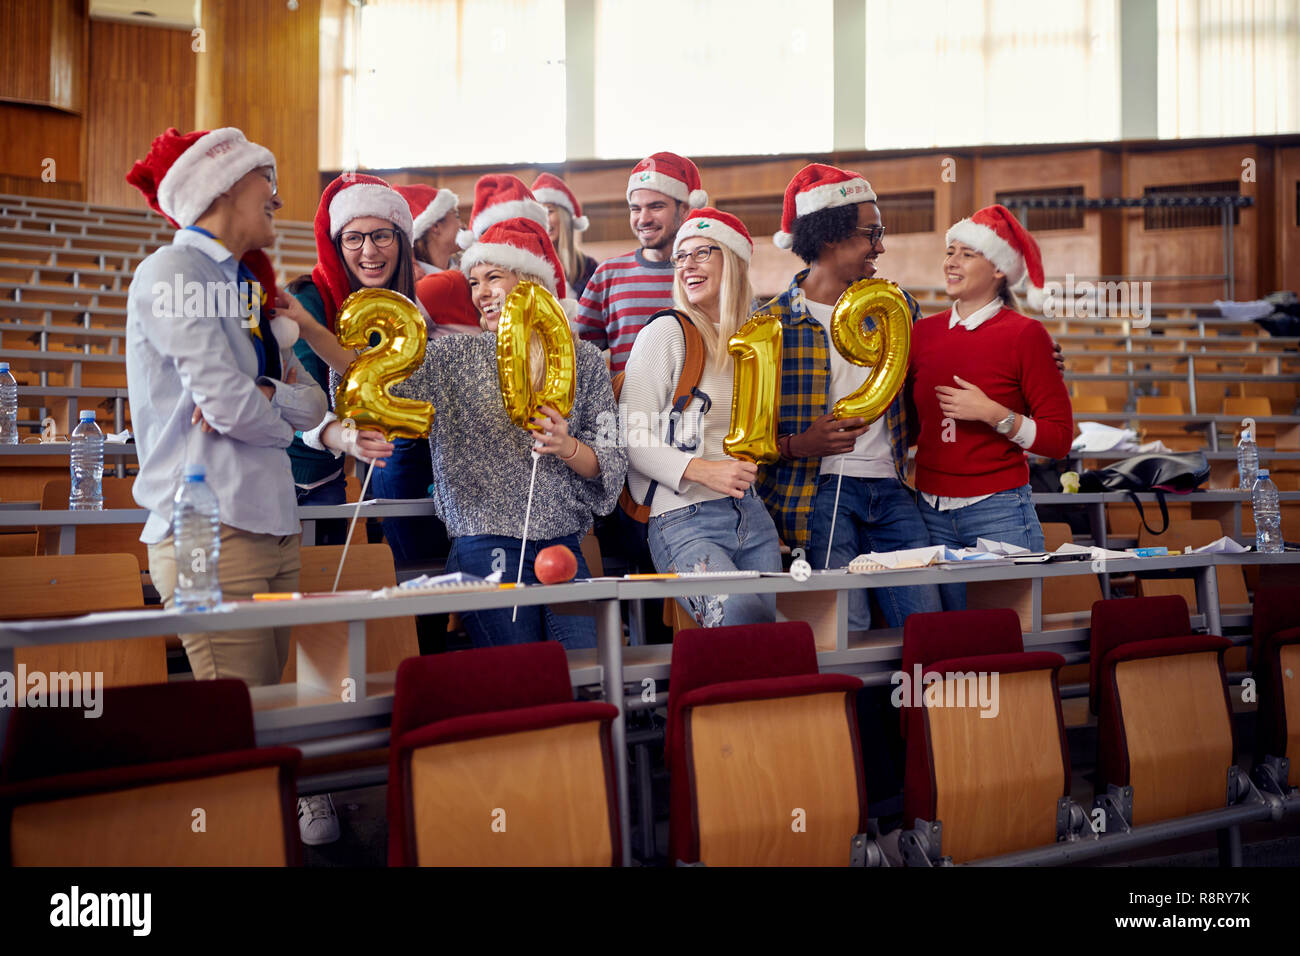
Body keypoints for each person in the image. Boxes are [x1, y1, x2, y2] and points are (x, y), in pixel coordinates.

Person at [124, 127, 328, 684]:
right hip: (211, 534)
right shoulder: (171, 271)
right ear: (223, 186)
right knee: (246, 720)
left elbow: (312, 404)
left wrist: (270, 398)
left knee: (273, 710)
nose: (278, 197)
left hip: (278, 527)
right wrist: (277, 419)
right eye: (267, 179)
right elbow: (232, 404)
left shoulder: (245, 288)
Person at [388, 215, 626, 648]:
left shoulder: (585, 361)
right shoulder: (452, 356)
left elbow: (609, 464)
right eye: (473, 283)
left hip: (563, 544)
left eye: (493, 277)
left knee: (587, 671)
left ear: (532, 281)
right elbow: (379, 383)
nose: (480, 294)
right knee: (518, 678)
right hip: (484, 543)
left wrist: (568, 446)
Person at [756, 164, 941, 631]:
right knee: (843, 630)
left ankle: (914, 707)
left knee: (924, 621)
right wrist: (801, 444)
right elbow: (745, 439)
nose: (880, 245)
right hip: (814, 495)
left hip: (893, 489)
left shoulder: (899, 308)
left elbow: (939, 366)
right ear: (828, 237)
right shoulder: (768, 326)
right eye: (870, 233)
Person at [621, 208, 782, 627]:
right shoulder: (665, 333)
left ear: (733, 261)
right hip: (683, 516)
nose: (687, 265)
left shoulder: (752, 338)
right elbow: (631, 436)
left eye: (702, 253)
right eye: (681, 256)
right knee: (740, 620)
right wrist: (704, 471)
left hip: (751, 512)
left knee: (770, 631)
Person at [910, 204, 1074, 607]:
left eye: (968, 254)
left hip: (997, 510)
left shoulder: (1026, 335)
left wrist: (993, 414)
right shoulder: (920, 333)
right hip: (929, 510)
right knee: (948, 638)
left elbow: (1058, 439)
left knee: (1003, 641)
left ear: (999, 269)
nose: (952, 262)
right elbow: (908, 427)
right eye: (951, 251)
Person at [280, 174, 443, 566]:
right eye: (354, 238)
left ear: (401, 242)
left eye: (381, 236)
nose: (368, 250)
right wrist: (344, 435)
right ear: (338, 246)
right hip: (302, 480)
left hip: (368, 475)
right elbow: (294, 402)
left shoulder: (409, 314)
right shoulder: (308, 300)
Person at [575, 151, 708, 375]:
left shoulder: (709, 273)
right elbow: (579, 358)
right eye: (635, 209)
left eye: (656, 207)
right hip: (628, 410)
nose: (643, 219)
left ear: (685, 209)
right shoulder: (608, 275)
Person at [531, 172, 598, 299]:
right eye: (539, 213)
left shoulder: (588, 267)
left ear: (564, 217)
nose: (544, 219)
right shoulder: (528, 265)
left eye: (549, 211)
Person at [395, 183, 462, 275]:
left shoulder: (468, 270)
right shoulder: (411, 280)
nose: (463, 225)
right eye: (457, 216)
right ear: (436, 226)